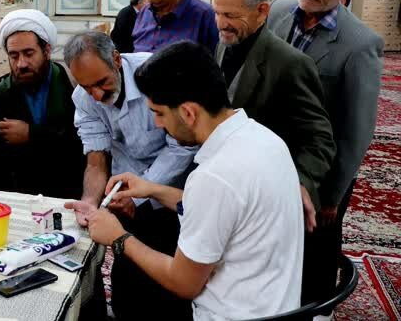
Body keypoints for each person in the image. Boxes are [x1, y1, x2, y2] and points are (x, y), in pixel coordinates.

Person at [87, 41, 303, 320]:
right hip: (277, 305)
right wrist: (153, 189)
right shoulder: (265, 139)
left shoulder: (214, 177)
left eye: (159, 113)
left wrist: (119, 238)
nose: (157, 124)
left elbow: (183, 282)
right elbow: (227, 211)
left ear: (188, 113)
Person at [268, 0, 383, 307]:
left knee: (317, 243)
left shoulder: (360, 44)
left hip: (320, 169)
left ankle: (317, 307)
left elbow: (357, 129)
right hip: (271, 156)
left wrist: (333, 193)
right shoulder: (279, 13)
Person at [62, 31, 197, 320]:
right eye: (87, 87)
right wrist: (90, 201)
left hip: (174, 194)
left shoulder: (155, 75)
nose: (97, 95)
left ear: (116, 59)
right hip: (125, 192)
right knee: (128, 285)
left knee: (173, 290)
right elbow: (96, 159)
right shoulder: (83, 98)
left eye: (102, 83)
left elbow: (182, 147)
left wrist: (140, 194)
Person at [213, 0, 336, 232]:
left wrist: (299, 183)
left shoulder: (291, 63)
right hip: (227, 186)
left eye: (230, 15)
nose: (220, 23)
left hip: (268, 197)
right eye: (217, 13)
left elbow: (319, 139)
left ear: (262, 11)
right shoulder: (224, 42)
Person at [0, 9, 85, 199]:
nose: (21, 64)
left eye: (29, 53)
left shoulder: (73, 86)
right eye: (14, 56)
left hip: (63, 188)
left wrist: (32, 135)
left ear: (46, 51)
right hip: (13, 189)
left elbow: (86, 142)